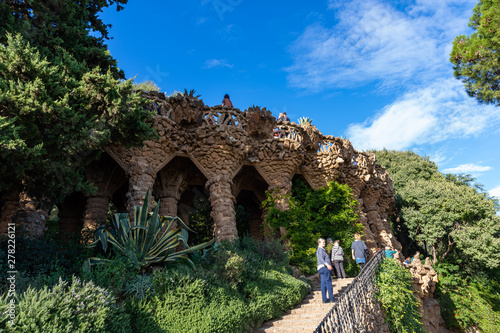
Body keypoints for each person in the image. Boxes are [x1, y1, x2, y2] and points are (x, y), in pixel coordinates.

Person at [316, 238, 335, 304]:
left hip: (321, 268)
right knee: (328, 282)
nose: (324, 243)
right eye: (323, 242)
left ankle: (324, 299)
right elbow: (321, 259)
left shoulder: (321, 250)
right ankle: (331, 298)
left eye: (324, 242)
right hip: (324, 267)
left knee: (323, 283)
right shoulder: (320, 250)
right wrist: (327, 265)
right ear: (319, 243)